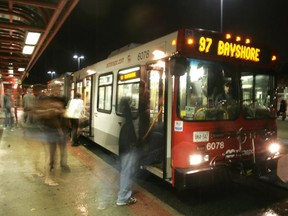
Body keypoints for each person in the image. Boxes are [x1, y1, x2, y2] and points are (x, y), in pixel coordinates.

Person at [116, 98, 138, 206]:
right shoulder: (129, 122)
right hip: (128, 149)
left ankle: (124, 196)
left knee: (126, 172)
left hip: (125, 149)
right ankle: (122, 198)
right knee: (127, 172)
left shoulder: (125, 119)